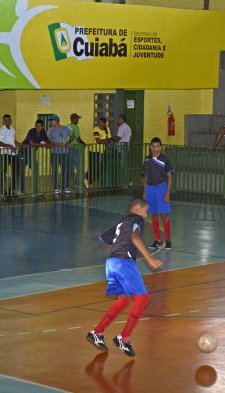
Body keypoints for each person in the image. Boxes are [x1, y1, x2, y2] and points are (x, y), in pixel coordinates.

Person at [86, 198, 163, 357]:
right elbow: (135, 238)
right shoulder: (137, 219)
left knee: (124, 300)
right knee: (142, 299)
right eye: (145, 210)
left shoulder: (122, 222)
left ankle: (97, 333)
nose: (146, 214)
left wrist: (119, 246)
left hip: (111, 263)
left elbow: (104, 238)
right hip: (123, 263)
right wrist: (149, 259)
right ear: (138, 207)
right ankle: (124, 338)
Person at [143, 137, 173, 250]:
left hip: (161, 189)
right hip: (150, 189)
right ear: (150, 147)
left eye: (157, 146)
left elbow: (169, 177)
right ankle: (157, 240)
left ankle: (168, 240)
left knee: (163, 214)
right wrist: (144, 192)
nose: (155, 148)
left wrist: (167, 193)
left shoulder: (165, 159)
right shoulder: (147, 159)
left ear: (161, 147)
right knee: (153, 214)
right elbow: (145, 176)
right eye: (153, 146)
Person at [19, 119, 50, 194]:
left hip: (31, 154)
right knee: (21, 172)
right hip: (23, 153)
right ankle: (21, 190)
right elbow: (32, 143)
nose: (38, 128)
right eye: (37, 126)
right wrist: (44, 145)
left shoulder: (43, 132)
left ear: (42, 127)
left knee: (35, 170)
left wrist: (49, 143)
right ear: (35, 126)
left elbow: (47, 140)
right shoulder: (31, 131)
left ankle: (36, 190)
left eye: (40, 126)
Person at [0, 114, 23, 197]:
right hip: (4, 154)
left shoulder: (12, 129)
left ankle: (11, 190)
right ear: (3, 121)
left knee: (15, 172)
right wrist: (10, 147)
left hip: (13, 154)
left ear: (11, 120)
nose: (8, 121)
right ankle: (2, 191)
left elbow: (12, 140)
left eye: (9, 120)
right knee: (3, 173)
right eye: (6, 120)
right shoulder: (0, 131)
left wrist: (20, 144)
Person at [47, 114, 72, 194]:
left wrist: (69, 142)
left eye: (52, 121)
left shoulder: (65, 128)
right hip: (55, 153)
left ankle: (66, 186)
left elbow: (72, 136)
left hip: (65, 152)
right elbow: (48, 140)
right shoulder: (50, 130)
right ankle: (56, 187)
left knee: (65, 170)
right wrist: (55, 144)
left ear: (56, 121)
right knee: (55, 170)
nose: (51, 122)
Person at [86, 117, 112, 189]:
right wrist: (106, 141)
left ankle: (89, 180)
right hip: (93, 150)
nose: (98, 124)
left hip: (101, 151)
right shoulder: (96, 129)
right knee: (92, 166)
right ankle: (88, 181)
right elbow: (98, 141)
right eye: (98, 122)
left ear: (104, 124)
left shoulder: (107, 129)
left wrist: (106, 141)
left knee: (99, 169)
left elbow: (109, 138)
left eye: (100, 123)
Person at [67, 113, 86, 189]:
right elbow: (78, 139)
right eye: (77, 119)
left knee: (70, 168)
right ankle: (77, 184)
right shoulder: (75, 127)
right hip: (75, 148)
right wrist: (84, 143)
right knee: (80, 167)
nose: (78, 120)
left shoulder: (67, 127)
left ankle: (67, 185)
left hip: (68, 149)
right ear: (74, 119)